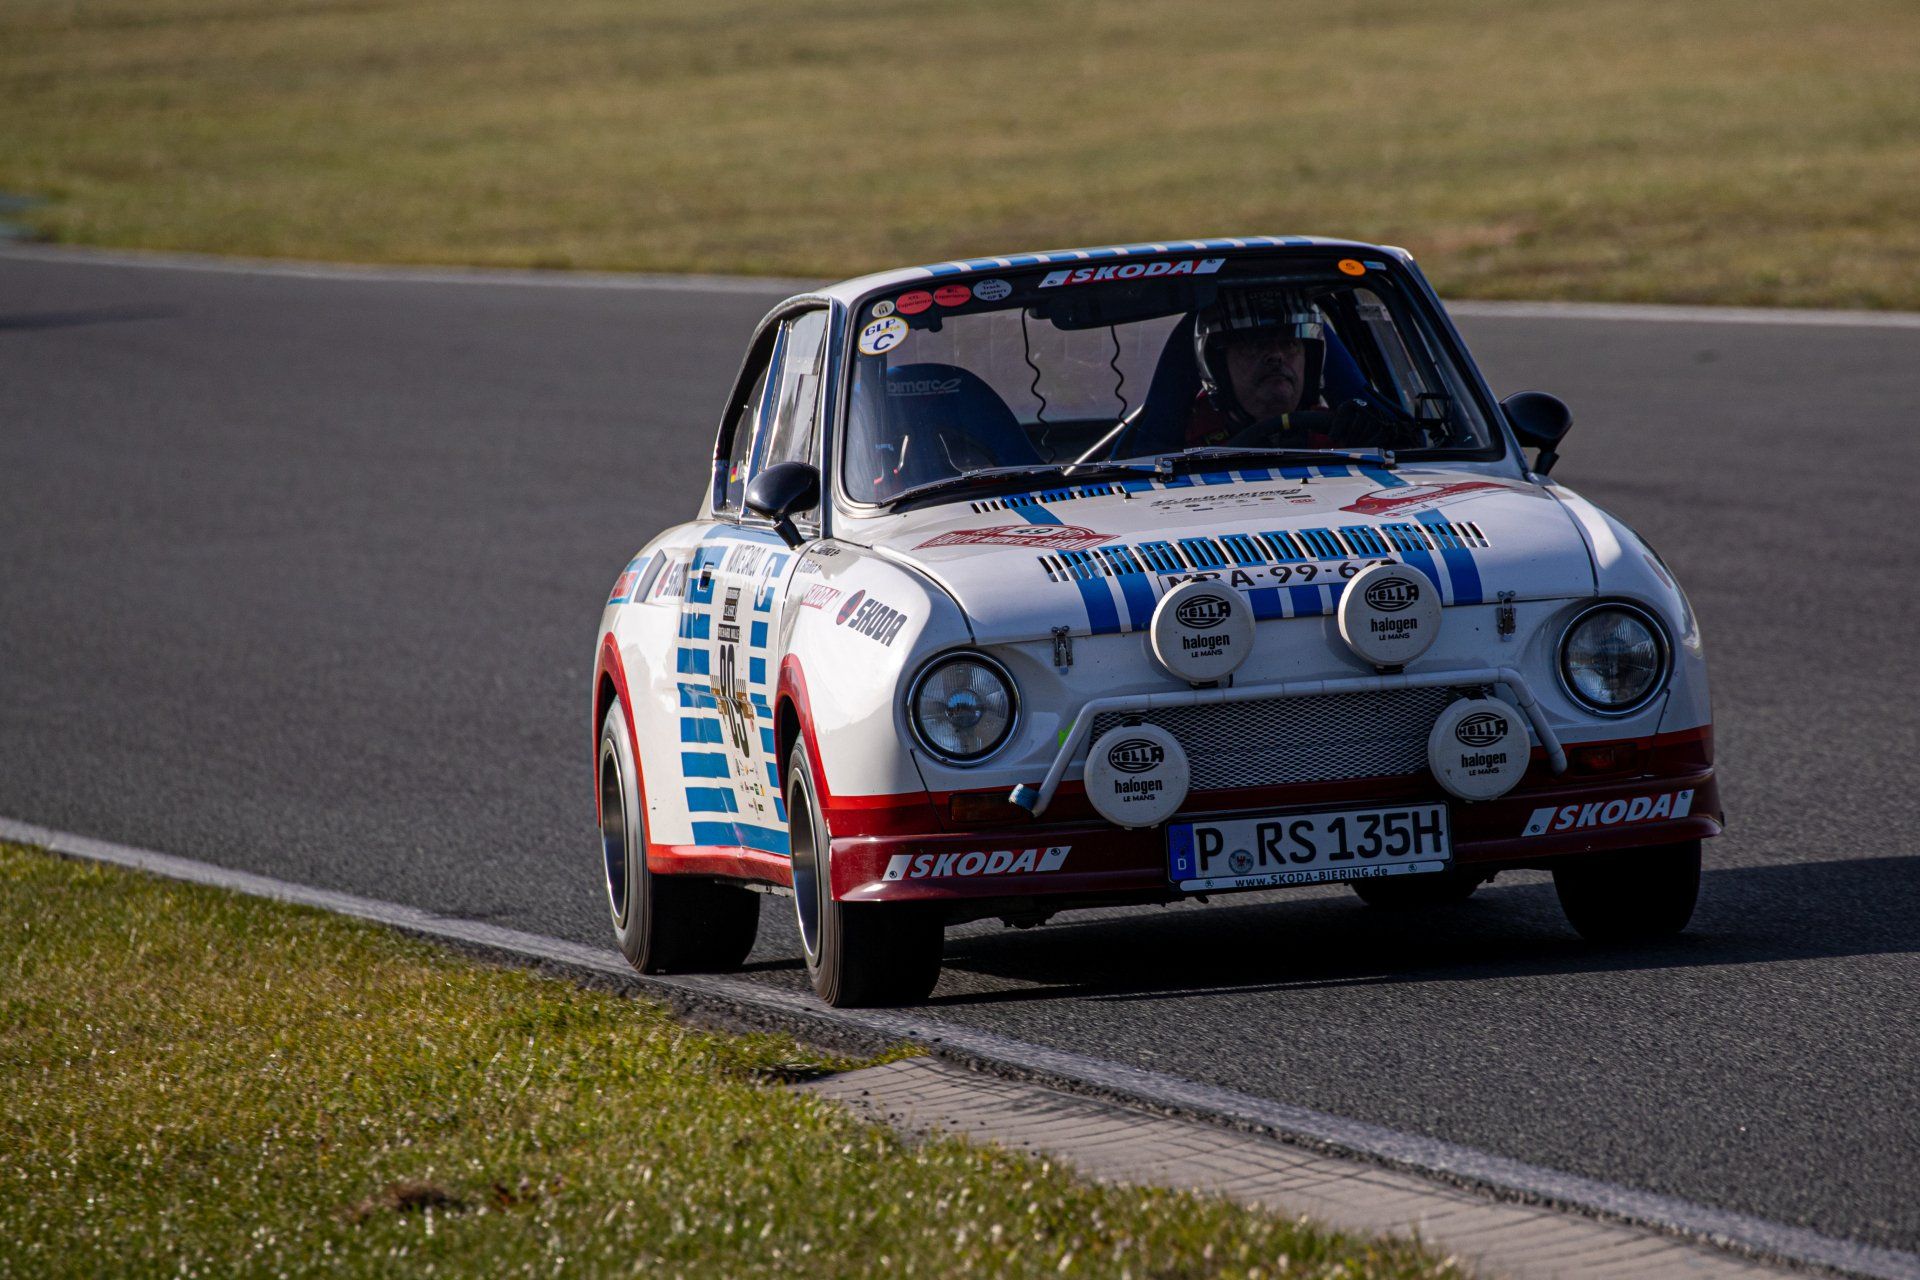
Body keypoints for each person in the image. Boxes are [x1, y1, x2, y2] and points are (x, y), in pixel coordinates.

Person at [1184, 288, 1424, 450]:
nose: (1276, 356)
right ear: (1218, 366)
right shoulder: (1184, 445)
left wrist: (1383, 439)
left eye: (1289, 344)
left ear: (1312, 362)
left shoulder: (1349, 434)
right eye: (1255, 345)